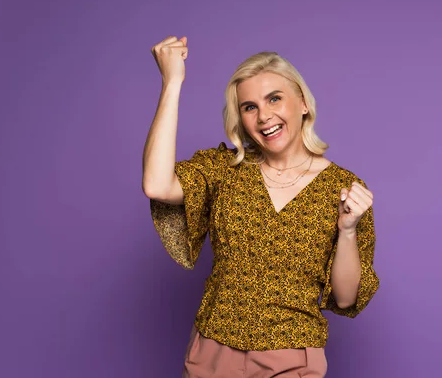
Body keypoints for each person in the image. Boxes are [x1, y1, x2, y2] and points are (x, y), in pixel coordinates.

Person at [142, 35, 380, 377]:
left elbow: (345, 299)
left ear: (303, 103)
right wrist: (172, 82)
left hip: (291, 355)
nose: (264, 115)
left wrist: (347, 230)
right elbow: (156, 184)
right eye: (249, 106)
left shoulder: (343, 189)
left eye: (274, 99)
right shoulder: (224, 170)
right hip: (213, 349)